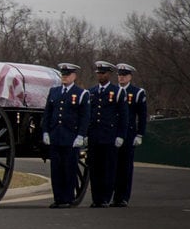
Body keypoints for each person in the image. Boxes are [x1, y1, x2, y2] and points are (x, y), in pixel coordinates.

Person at [42, 63, 91, 208]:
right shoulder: (54, 92)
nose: (65, 77)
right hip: (56, 136)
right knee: (56, 170)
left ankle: (68, 198)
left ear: (74, 76)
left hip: (71, 138)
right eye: (63, 75)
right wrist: (46, 131)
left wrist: (81, 135)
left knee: (69, 169)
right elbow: (48, 114)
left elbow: (84, 117)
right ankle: (58, 198)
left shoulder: (82, 94)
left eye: (67, 75)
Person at [86, 61, 129, 207]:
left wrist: (120, 135)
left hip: (109, 135)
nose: (100, 75)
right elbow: (88, 115)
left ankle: (105, 198)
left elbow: (124, 116)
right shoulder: (91, 92)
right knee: (94, 169)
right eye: (99, 73)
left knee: (108, 168)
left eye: (103, 73)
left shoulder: (117, 92)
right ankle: (96, 198)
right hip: (94, 135)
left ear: (109, 74)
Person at [113, 63, 147, 207]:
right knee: (113, 166)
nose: (121, 78)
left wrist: (140, 134)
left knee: (125, 167)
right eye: (120, 75)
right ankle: (112, 195)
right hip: (114, 133)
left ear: (130, 77)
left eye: (124, 75)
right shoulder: (113, 91)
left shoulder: (137, 92)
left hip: (129, 133)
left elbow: (142, 115)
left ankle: (123, 197)